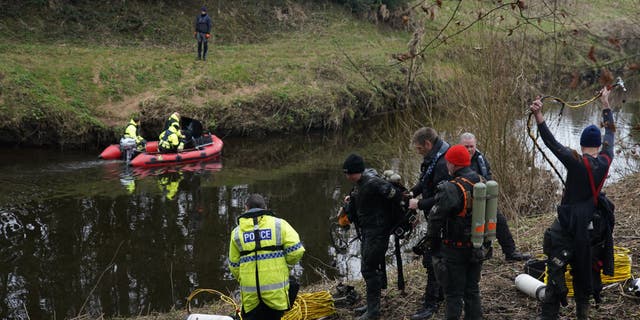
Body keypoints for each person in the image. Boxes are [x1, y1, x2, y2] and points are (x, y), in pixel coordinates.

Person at [530, 86, 615, 320]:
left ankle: (550, 314)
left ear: (581, 144)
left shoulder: (576, 161)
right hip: (591, 226)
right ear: (598, 145)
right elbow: (611, 133)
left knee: (556, 269)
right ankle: (582, 314)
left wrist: (539, 117)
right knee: (584, 269)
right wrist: (606, 104)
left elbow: (552, 144)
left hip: (569, 225)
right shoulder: (607, 159)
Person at [426, 144, 484, 320]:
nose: (446, 166)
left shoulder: (450, 188)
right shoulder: (480, 180)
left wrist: (433, 247)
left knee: (453, 295)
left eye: (448, 163)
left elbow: (435, 220)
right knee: (472, 291)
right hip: (477, 245)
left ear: (453, 164)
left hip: (454, 249)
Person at [342, 153, 402, 320]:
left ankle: (373, 311)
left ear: (356, 171)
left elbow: (395, 195)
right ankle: (371, 306)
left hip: (378, 232)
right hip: (368, 231)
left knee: (369, 269)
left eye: (348, 173)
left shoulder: (373, 182)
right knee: (367, 268)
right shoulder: (359, 183)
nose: (347, 176)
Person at [228, 193, 305, 320]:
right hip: (275, 294)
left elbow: (234, 265)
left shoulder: (236, 233)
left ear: (246, 208)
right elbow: (296, 250)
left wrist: (245, 277)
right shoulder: (280, 225)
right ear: (265, 207)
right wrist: (287, 266)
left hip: (251, 297)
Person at [459, 132, 531, 261]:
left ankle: (510, 252)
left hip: (484, 198)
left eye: (471, 146)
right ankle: (475, 254)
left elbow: (488, 176)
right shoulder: (456, 159)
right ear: (460, 146)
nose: (469, 150)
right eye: (466, 147)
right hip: (464, 202)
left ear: (475, 145)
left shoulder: (481, 158)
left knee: (499, 220)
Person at [407, 127, 450, 320]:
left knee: (433, 259)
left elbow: (443, 198)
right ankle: (440, 294)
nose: (418, 152)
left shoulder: (442, 163)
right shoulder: (433, 158)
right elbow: (426, 181)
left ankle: (430, 304)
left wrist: (419, 204)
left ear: (428, 144)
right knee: (436, 258)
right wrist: (412, 193)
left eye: (419, 149)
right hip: (434, 216)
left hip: (443, 219)